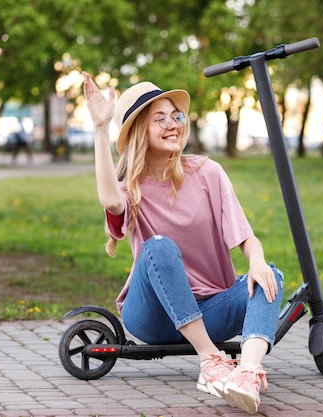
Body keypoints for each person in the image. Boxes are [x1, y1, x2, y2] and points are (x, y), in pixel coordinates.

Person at [82, 71, 284, 415]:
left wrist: (257, 260)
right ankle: (211, 361)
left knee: (271, 278)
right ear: (138, 133)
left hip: (211, 309)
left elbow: (245, 238)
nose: (172, 124)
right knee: (159, 246)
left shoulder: (208, 173)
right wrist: (101, 129)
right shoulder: (130, 191)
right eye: (158, 119)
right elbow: (111, 200)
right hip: (153, 316)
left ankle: (247, 374)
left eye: (175, 115)